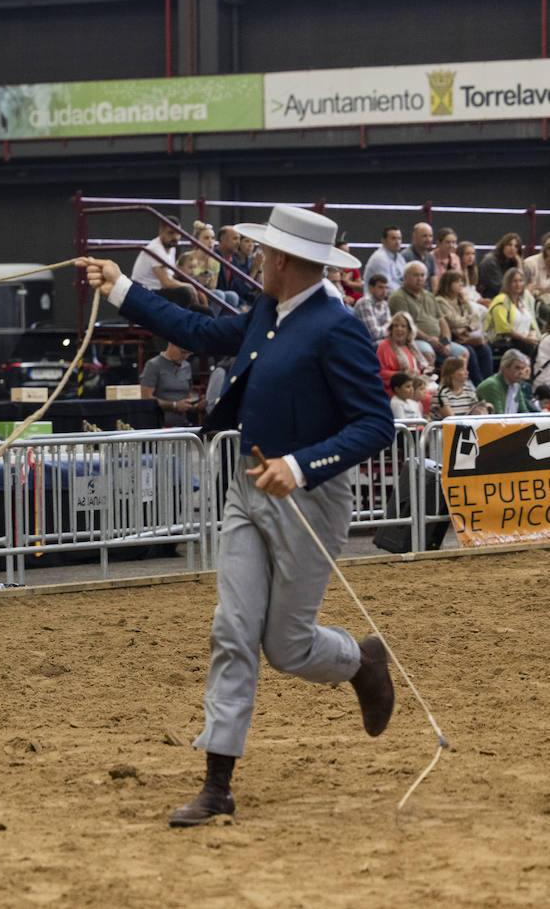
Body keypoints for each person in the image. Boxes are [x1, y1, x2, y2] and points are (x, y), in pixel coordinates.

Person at [78, 202, 395, 828]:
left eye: (262, 253)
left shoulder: (337, 327)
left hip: (311, 501)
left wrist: (300, 466)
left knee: (287, 646)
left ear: (283, 261)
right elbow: (195, 331)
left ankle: (360, 661)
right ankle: (217, 782)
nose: (254, 261)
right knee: (233, 628)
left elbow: (375, 424)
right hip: (247, 493)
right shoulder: (266, 314)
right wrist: (118, 286)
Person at [388, 261, 468, 367]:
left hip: (438, 340)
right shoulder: (398, 297)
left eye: (422, 275)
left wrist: (446, 342)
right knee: (428, 354)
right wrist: (430, 339)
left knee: (464, 353)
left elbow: (442, 321)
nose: (420, 278)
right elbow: (407, 326)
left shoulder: (429, 295)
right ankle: (428, 383)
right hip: (415, 340)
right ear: (405, 277)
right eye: (415, 275)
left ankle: (455, 382)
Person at [129, 215, 206, 313]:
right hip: (146, 293)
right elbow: (166, 283)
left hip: (158, 292)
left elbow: (170, 278)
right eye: (171, 233)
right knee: (185, 292)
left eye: (178, 233)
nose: (175, 237)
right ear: (161, 232)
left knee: (206, 311)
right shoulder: (155, 249)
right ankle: (177, 326)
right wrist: (190, 286)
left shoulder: (171, 247)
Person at [433, 270, 491, 384]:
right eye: (457, 281)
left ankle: (487, 382)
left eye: (461, 281)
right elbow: (452, 322)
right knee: (470, 352)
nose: (461, 284)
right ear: (448, 283)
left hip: (465, 336)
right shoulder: (440, 301)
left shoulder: (462, 300)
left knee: (485, 350)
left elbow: (476, 319)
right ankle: (478, 384)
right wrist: (466, 323)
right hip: (452, 338)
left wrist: (465, 327)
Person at [140, 343, 199, 426]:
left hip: (183, 425)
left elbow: (189, 395)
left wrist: (196, 404)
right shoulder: (153, 365)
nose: (185, 356)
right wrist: (174, 406)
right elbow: (146, 398)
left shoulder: (187, 366)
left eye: (188, 353)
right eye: (182, 352)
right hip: (160, 427)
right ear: (171, 344)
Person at [488, 267, 540, 356]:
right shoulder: (501, 300)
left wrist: (532, 336)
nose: (518, 284)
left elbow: (532, 324)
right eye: (514, 281)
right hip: (507, 342)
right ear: (508, 283)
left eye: (520, 281)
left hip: (525, 342)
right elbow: (503, 329)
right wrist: (525, 339)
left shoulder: (522, 301)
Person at [377, 312, 431, 392]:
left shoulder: (411, 345)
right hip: (396, 391)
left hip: (415, 387)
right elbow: (380, 373)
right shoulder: (383, 346)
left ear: (409, 330)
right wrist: (403, 375)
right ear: (391, 329)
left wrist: (425, 370)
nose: (399, 329)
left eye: (403, 326)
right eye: (396, 326)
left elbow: (419, 367)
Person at [476, 349, 536, 414]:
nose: (521, 372)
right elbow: (498, 418)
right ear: (505, 367)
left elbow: (524, 413)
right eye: (517, 368)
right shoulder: (492, 385)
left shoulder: (516, 385)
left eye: (522, 368)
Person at [362, 225, 405, 297]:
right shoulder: (379, 258)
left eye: (399, 239)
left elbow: (405, 280)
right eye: (393, 239)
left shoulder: (400, 258)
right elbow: (387, 288)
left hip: (395, 298)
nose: (397, 242)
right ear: (383, 240)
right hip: (375, 302)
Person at [478, 233, 523, 301]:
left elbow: (521, 284)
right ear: (503, 246)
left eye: (516, 246)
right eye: (509, 245)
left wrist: (519, 264)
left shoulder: (514, 261)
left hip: (510, 297)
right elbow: (500, 287)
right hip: (492, 298)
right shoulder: (490, 261)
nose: (512, 248)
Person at [351, 275, 392, 346]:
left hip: (381, 341)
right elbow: (373, 334)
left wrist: (389, 329)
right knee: (393, 344)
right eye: (381, 287)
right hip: (365, 344)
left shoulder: (384, 303)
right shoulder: (364, 303)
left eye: (386, 288)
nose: (384, 291)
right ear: (371, 288)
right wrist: (389, 330)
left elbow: (391, 327)